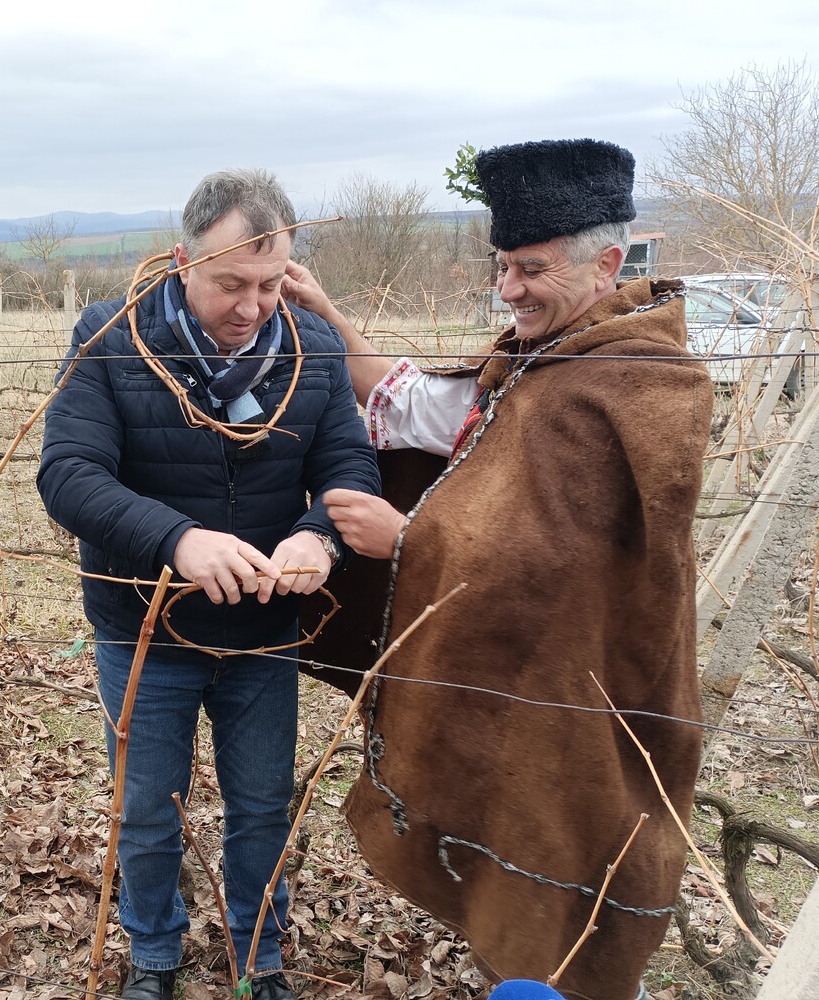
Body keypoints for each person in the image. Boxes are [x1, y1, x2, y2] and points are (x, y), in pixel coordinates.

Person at [283, 140, 714, 1000]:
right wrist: (326, 312)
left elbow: (565, 569)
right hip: (515, 687)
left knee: (565, 871)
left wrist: (407, 542)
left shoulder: (641, 385)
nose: (508, 288)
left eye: (531, 269)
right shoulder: (535, 364)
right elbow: (407, 403)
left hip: (581, 703)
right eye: (501, 267)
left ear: (608, 263)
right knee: (514, 870)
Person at [37, 169, 381, 1000]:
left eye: (271, 283)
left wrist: (318, 536)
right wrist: (178, 540)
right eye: (231, 282)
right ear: (184, 261)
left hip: (264, 630)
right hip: (141, 626)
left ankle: (259, 954)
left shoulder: (312, 346)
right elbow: (68, 474)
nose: (254, 305)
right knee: (148, 811)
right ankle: (154, 954)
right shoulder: (113, 337)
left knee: (262, 806)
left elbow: (349, 463)